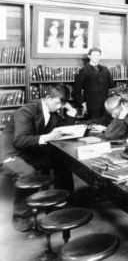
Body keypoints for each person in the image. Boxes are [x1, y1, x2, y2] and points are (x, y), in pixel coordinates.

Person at [0, 84, 77, 232]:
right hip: (10, 153)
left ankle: (63, 201)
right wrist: (46, 137)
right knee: (27, 172)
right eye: (57, 103)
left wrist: (71, 113)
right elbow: (19, 140)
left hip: (29, 152)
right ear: (48, 98)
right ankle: (21, 215)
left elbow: (65, 132)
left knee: (62, 162)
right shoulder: (26, 111)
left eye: (63, 104)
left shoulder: (53, 114)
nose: (60, 107)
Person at [72, 47, 116, 119]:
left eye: (98, 55)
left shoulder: (105, 69)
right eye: (94, 55)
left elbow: (112, 87)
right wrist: (83, 104)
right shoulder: (84, 71)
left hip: (107, 106)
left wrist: (113, 102)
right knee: (96, 128)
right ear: (89, 56)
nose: (96, 57)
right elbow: (75, 92)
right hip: (93, 107)